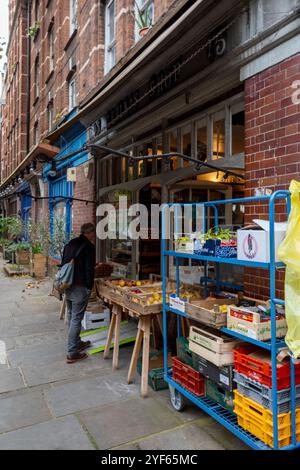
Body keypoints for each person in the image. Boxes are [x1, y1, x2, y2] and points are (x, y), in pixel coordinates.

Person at [62, 222, 96, 364]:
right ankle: (72, 352)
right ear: (90, 233)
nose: (94, 236)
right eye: (93, 233)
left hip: (67, 285)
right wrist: (89, 286)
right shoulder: (89, 247)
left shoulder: (70, 243)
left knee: (71, 315)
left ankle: (76, 343)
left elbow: (64, 262)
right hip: (80, 286)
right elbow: (89, 269)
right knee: (76, 318)